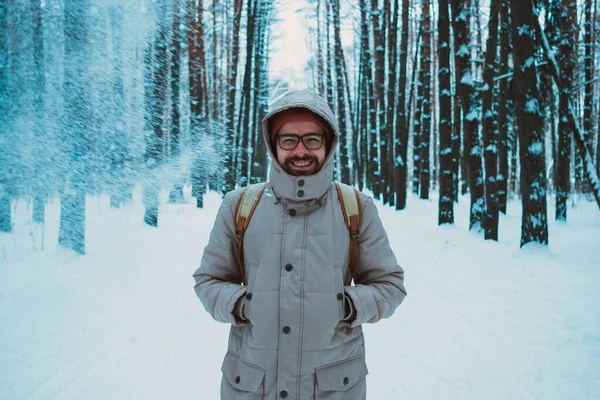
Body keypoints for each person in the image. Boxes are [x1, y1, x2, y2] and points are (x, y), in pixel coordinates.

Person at [193, 89, 406, 399]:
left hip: (333, 384)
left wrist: (346, 306)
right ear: (274, 144)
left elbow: (389, 285)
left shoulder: (357, 207)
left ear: (329, 144)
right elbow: (208, 280)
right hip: (253, 382)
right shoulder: (238, 206)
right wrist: (241, 304)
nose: (301, 150)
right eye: (288, 140)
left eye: (312, 140)